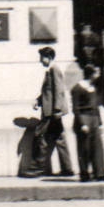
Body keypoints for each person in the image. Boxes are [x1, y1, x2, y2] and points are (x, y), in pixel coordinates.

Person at [34, 47, 75, 177]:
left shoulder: (54, 69)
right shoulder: (50, 70)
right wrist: (38, 100)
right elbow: (48, 92)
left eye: (42, 58)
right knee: (60, 139)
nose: (40, 61)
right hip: (52, 112)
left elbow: (59, 90)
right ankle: (67, 169)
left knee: (40, 136)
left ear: (49, 57)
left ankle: (37, 168)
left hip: (51, 113)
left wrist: (57, 110)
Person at [70, 62, 104, 182]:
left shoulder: (93, 87)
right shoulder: (77, 88)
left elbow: (96, 106)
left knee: (97, 147)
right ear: (91, 74)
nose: (99, 74)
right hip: (83, 119)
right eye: (97, 72)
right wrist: (82, 124)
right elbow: (75, 108)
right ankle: (84, 173)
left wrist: (100, 123)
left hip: (94, 119)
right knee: (84, 148)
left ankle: (100, 173)